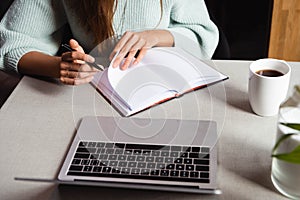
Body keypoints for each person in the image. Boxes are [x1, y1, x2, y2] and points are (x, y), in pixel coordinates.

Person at [0, 0, 219, 85]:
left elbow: (202, 37)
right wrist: (60, 67)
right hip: (92, 88)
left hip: (163, 86)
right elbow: (12, 43)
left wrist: (155, 36)